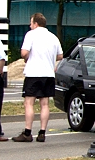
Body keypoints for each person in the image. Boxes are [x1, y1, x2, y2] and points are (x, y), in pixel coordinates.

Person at [13, 13, 64, 142]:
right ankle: (42, 132)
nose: (30, 26)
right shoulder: (53, 37)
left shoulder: (31, 35)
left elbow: (24, 52)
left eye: (31, 23)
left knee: (29, 103)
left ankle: (27, 132)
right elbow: (60, 55)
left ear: (36, 23)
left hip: (33, 73)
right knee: (45, 103)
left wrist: (27, 57)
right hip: (48, 74)